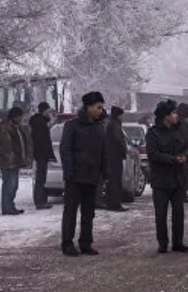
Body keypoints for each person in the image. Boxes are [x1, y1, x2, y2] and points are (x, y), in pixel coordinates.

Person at [60, 92, 108, 257]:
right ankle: (67, 243)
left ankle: (86, 242)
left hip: (93, 176)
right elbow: (65, 150)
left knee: (89, 212)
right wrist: (70, 171)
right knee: (71, 211)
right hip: (75, 176)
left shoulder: (99, 128)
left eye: (102, 107)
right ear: (88, 107)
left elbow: (103, 152)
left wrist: (104, 172)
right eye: (98, 107)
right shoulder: (72, 126)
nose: (101, 111)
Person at [146, 99, 188, 254]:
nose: (176, 115)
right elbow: (153, 154)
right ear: (165, 116)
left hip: (178, 179)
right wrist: (173, 159)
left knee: (179, 213)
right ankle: (163, 243)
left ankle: (178, 242)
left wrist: (186, 156)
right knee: (161, 214)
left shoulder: (179, 130)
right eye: (173, 113)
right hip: (161, 181)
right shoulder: (153, 134)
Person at [0, 106, 29, 215]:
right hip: (8, 161)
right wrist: (10, 157)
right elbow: (6, 144)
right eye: (20, 116)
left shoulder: (17, 127)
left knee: (13, 184)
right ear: (15, 116)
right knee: (10, 184)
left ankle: (9, 205)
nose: (21, 119)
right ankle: (7, 207)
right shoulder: (6, 127)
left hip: (15, 160)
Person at [29, 102, 56, 210]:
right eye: (48, 111)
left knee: (41, 177)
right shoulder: (40, 123)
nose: (49, 113)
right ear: (44, 111)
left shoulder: (39, 122)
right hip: (41, 154)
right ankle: (40, 201)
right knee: (41, 178)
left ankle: (40, 200)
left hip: (40, 154)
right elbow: (43, 141)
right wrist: (48, 153)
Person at [104, 106, 128, 212]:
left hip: (112, 156)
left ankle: (111, 203)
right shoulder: (114, 125)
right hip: (115, 156)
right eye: (122, 115)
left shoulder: (111, 123)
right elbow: (118, 140)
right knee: (115, 181)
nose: (123, 117)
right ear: (118, 115)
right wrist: (124, 150)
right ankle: (115, 203)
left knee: (112, 181)